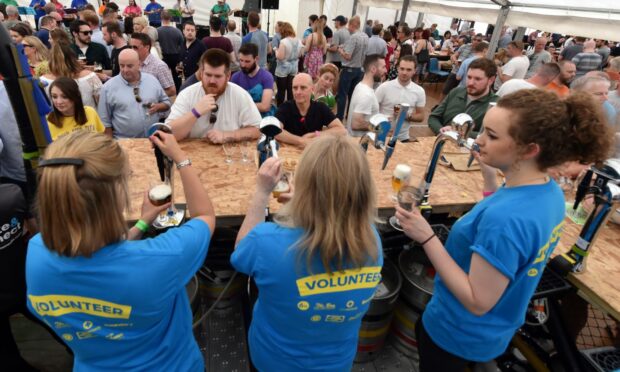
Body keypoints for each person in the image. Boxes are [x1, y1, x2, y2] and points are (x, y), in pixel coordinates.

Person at [396, 88, 612, 371]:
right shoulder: (548, 193)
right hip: (492, 332)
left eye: (493, 135)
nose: (480, 140)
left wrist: (425, 236)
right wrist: (489, 178)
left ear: (530, 149)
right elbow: (504, 223)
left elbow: (477, 300)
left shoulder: (507, 219)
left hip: (456, 333)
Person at [26, 128, 216, 371]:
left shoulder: (37, 252)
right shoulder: (159, 259)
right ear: (116, 193)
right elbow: (205, 216)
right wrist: (180, 157)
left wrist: (141, 224)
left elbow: (92, 251)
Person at [232, 135, 383, 372]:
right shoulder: (372, 239)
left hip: (274, 361)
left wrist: (262, 192)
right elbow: (334, 217)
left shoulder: (266, 242)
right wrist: (306, 203)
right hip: (337, 363)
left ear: (305, 184)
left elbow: (240, 254)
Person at [167, 48, 261, 142]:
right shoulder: (187, 95)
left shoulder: (240, 95)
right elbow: (169, 134)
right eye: (208, 75)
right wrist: (195, 113)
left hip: (230, 155)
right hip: (192, 155)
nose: (212, 81)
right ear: (201, 74)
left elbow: (257, 130)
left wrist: (227, 136)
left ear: (228, 76)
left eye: (218, 76)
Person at [98, 49, 171, 138]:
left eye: (129, 66)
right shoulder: (108, 88)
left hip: (153, 140)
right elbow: (105, 123)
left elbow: (167, 103)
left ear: (139, 64)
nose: (125, 70)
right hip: (125, 144)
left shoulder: (152, 80)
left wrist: (158, 107)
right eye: (122, 66)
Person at [429, 58, 498, 138]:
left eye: (477, 79)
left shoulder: (496, 105)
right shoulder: (456, 92)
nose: (471, 83)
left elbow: (491, 135)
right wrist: (441, 130)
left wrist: (457, 132)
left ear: (491, 80)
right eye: (469, 77)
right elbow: (433, 117)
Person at [275, 73, 346, 148]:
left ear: (312, 89)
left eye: (303, 88)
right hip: (288, 155)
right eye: (295, 88)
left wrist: (316, 134)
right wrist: (301, 141)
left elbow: (341, 130)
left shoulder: (321, 108)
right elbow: (275, 131)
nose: (298, 92)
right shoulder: (285, 107)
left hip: (313, 153)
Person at [376, 55, 426, 141]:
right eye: (402, 69)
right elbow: (371, 112)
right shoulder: (384, 87)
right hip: (382, 135)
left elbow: (421, 116)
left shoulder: (419, 91)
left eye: (409, 70)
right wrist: (380, 129)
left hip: (403, 137)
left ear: (415, 71)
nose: (404, 72)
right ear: (397, 68)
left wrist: (406, 116)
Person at [41, 41, 102, 108]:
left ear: (51, 60)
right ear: (73, 57)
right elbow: (101, 102)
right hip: (87, 117)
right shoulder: (90, 76)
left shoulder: (43, 81)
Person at [336, 15, 368, 120]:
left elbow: (348, 56)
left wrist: (339, 50)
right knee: (353, 95)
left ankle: (339, 116)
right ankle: (349, 116)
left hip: (349, 69)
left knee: (342, 94)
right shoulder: (365, 36)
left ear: (351, 25)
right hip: (360, 69)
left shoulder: (354, 37)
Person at [231, 43, 275, 117]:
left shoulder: (266, 76)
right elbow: (232, 103)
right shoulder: (235, 77)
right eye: (241, 60)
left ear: (256, 59)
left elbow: (265, 106)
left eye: (247, 61)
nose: (243, 65)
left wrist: (240, 106)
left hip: (261, 118)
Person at [347, 54, 385, 137]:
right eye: (383, 67)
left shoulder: (361, 86)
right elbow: (356, 124)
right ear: (373, 69)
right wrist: (379, 128)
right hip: (361, 145)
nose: (385, 71)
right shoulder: (366, 94)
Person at [130, 32, 176, 99]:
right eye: (131, 47)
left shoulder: (159, 66)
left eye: (135, 47)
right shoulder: (133, 63)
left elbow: (171, 91)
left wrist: (150, 96)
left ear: (147, 47)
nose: (132, 50)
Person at [275, 22, 302, 106]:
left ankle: (280, 109)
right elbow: (300, 54)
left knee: (281, 91)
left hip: (283, 68)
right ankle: (291, 108)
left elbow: (280, 57)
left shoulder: (283, 41)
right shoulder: (298, 40)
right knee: (291, 90)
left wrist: (276, 50)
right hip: (294, 67)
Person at [157, 10, 184, 92]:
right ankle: (179, 93)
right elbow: (182, 45)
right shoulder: (177, 31)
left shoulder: (157, 31)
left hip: (162, 57)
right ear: (171, 18)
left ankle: (163, 94)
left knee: (162, 77)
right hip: (175, 56)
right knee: (177, 77)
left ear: (161, 17)